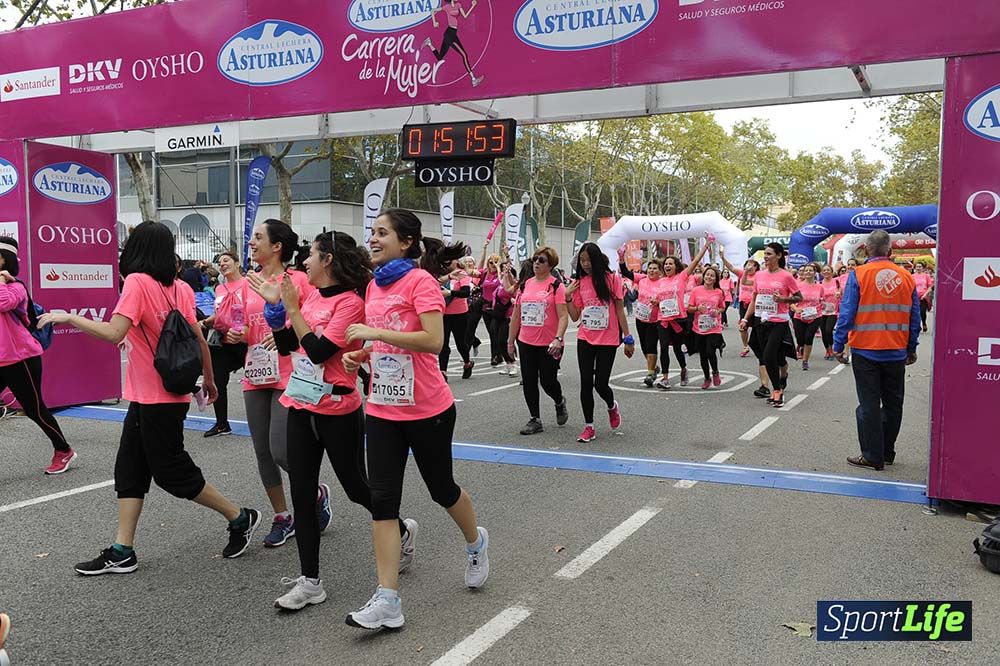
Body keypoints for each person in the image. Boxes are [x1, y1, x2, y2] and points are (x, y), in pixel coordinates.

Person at [38, 221, 261, 574]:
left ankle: (239, 516)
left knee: (172, 472)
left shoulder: (138, 284)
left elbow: (115, 334)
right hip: (160, 394)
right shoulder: (180, 289)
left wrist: (69, 316)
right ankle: (122, 548)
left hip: (157, 397)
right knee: (130, 469)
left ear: (137, 249)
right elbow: (199, 339)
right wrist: (210, 379)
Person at [343, 208, 489, 630]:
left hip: (429, 409)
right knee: (383, 501)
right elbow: (385, 341)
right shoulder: (373, 286)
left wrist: (374, 336)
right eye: (371, 232)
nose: (372, 238)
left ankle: (475, 542)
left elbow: (432, 341)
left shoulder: (421, 281)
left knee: (441, 489)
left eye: (382, 232)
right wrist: (363, 354)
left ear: (406, 241)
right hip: (384, 410)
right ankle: (388, 599)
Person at [260, 231, 416, 611]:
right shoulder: (310, 296)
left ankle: (399, 529)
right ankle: (310, 582)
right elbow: (288, 348)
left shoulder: (349, 303)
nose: (304, 264)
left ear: (327, 259)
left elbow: (316, 352)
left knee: (356, 488)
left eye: (310, 256)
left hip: (337, 410)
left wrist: (293, 310)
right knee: (301, 492)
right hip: (300, 403)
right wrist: (278, 312)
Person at [243, 220, 326, 549]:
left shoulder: (299, 281)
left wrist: (284, 328)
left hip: (289, 371)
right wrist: (233, 332)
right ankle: (283, 516)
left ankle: (316, 492)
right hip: (255, 372)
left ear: (277, 246)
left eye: (259, 237)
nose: (252, 242)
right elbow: (240, 322)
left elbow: (315, 320)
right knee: (262, 451)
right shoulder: (249, 281)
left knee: (281, 450)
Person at [833, 230, 920, 471]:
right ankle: (888, 451)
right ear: (891, 251)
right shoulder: (906, 276)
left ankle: (872, 455)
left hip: (865, 350)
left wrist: (838, 345)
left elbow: (847, 313)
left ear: (867, 250)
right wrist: (911, 347)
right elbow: (915, 317)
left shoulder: (859, 274)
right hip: (896, 350)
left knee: (868, 404)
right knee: (893, 404)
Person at [0, 237, 76, 475]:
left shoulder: (16, 287)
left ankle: (64, 450)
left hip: (20, 358)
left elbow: (3, 303)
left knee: (34, 409)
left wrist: (1, 279)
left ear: (7, 260)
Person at [565, 243, 634, 443]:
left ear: (596, 259)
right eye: (582, 260)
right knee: (586, 382)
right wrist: (567, 296)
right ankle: (589, 426)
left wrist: (628, 339)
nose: (585, 264)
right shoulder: (578, 283)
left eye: (588, 260)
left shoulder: (612, 279)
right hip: (585, 337)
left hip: (608, 338)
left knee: (600, 384)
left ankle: (612, 405)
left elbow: (620, 310)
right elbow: (575, 316)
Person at [507, 246, 569, 435]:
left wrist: (558, 339)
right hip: (526, 341)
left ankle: (559, 401)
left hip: (550, 343)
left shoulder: (556, 286)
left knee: (548, 381)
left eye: (541, 260)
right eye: (535, 259)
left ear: (550, 265)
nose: (536, 263)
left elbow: (564, 316)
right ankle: (535, 419)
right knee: (529, 380)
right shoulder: (525, 285)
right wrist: (510, 342)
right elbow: (516, 316)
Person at [738, 243, 802, 407]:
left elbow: (798, 297)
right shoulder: (759, 275)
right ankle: (779, 380)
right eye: (764, 254)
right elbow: (754, 299)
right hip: (761, 320)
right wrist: (745, 319)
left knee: (768, 355)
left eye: (769, 254)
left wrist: (783, 299)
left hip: (778, 321)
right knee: (769, 355)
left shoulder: (786, 276)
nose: (765, 257)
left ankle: (777, 390)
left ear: (779, 256)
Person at [199, 251, 247, 437]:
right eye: (220, 262)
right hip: (223, 341)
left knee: (259, 382)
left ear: (237, 263)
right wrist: (205, 322)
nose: (222, 264)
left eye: (226, 260)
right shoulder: (219, 288)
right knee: (218, 381)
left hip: (244, 339)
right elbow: (219, 314)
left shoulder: (248, 284)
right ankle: (221, 424)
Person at [653, 241, 711, 390]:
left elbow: (696, 261)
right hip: (663, 319)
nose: (667, 266)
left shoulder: (682, 277)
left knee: (678, 348)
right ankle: (665, 379)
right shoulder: (660, 281)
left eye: (670, 264)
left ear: (676, 266)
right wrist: (655, 301)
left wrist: (706, 245)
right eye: (665, 264)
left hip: (678, 319)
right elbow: (657, 298)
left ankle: (683, 369)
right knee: (664, 347)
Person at [620, 257, 669, 387]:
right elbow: (625, 272)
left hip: (655, 320)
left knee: (651, 344)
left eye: (655, 269)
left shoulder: (663, 283)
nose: (651, 271)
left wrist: (658, 303)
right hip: (641, 318)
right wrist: (621, 259)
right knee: (644, 347)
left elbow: (669, 300)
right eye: (650, 268)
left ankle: (650, 373)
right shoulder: (641, 279)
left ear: (660, 271)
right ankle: (653, 367)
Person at [423, 0, 484, 87]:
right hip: (449, 34)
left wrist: (472, 6)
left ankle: (429, 43)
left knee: (440, 57)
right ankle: (473, 79)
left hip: (452, 33)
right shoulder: (447, 7)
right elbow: (433, 10)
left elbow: (465, 16)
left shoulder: (458, 5)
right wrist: (434, 22)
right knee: (464, 55)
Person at [687, 265, 726, 389]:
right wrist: (697, 308)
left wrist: (718, 311)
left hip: (714, 327)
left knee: (710, 351)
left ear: (716, 279)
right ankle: (706, 377)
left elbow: (722, 307)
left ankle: (715, 372)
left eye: (712, 276)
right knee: (703, 354)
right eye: (707, 275)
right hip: (699, 328)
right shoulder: (696, 290)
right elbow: (689, 308)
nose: (709, 277)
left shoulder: (719, 292)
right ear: (704, 277)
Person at [437, 254, 475, 381]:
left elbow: (466, 293)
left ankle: (467, 362)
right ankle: (443, 371)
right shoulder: (442, 275)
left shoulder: (462, 274)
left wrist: (449, 292)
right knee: (444, 344)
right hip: (444, 314)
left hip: (460, 314)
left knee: (461, 343)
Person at [478, 248, 516, 374]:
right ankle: (507, 362)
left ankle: (512, 363)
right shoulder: (499, 285)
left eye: (506, 270)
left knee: (502, 340)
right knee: (495, 338)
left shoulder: (510, 283)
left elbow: (507, 273)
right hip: (497, 315)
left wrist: (506, 258)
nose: (503, 271)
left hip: (507, 316)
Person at [791, 263, 823, 370]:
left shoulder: (820, 286)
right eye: (806, 271)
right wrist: (795, 309)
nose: (808, 272)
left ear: (815, 273)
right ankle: (800, 346)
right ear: (803, 273)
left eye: (810, 270)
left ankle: (805, 360)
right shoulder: (797, 285)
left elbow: (822, 300)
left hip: (815, 316)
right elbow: (790, 300)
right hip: (799, 316)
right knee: (800, 339)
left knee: (809, 338)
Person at [461, 256, 484, 358]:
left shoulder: (477, 274)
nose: (468, 263)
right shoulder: (462, 275)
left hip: (475, 306)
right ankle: (476, 342)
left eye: (470, 261)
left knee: (470, 329)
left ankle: (466, 354)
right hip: (463, 305)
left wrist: (484, 248)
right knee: (464, 330)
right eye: (466, 261)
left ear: (474, 264)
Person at [818, 264, 841, 360]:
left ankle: (831, 348)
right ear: (822, 273)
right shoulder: (819, 283)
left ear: (832, 272)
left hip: (833, 311)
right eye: (824, 270)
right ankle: (828, 350)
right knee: (823, 332)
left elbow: (841, 292)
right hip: (822, 311)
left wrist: (839, 294)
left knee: (828, 330)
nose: (826, 272)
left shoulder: (836, 282)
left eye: (828, 270)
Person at [912, 262, 934, 332]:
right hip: (915, 297)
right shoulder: (912, 276)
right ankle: (917, 326)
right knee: (915, 312)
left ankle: (924, 323)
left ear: (923, 268)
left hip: (923, 297)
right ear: (915, 268)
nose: (918, 268)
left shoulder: (926, 276)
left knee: (922, 312)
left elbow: (930, 287)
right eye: (917, 267)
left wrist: (925, 294)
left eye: (920, 266)